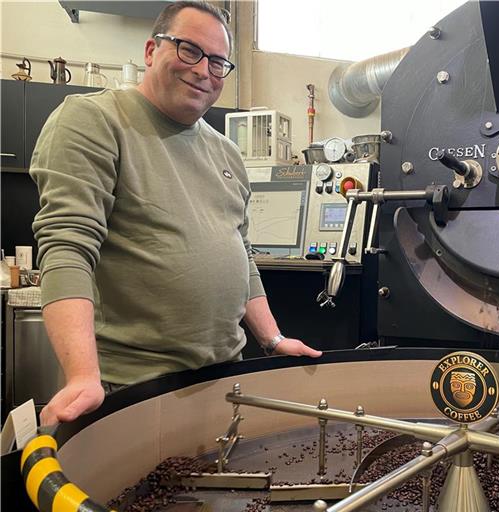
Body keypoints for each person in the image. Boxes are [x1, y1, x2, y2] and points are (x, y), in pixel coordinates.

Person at [31, 0, 321, 427]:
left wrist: (272, 338)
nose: (204, 70)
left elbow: (241, 255)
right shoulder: (93, 120)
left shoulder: (225, 151)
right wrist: (82, 376)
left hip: (224, 380)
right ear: (151, 51)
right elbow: (68, 248)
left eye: (219, 61)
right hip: (132, 388)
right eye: (189, 50)